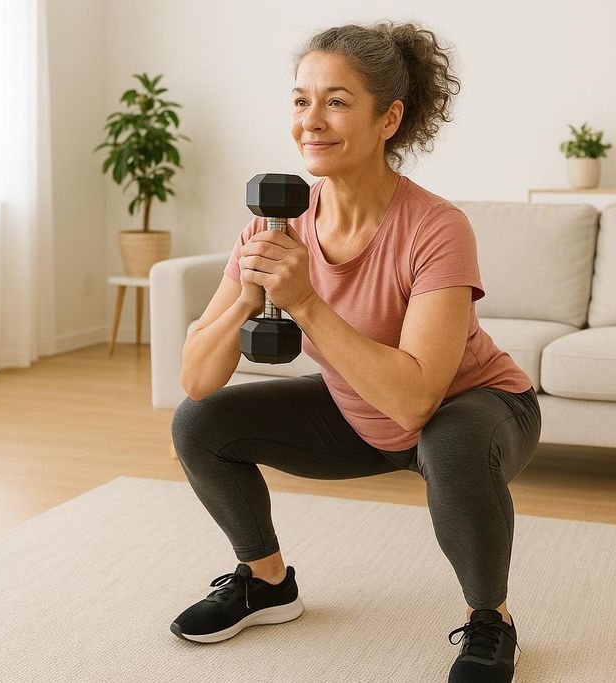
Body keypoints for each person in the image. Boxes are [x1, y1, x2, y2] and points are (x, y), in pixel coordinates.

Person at [170, 20, 540, 683]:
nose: (311, 120)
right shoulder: (275, 224)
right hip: (359, 410)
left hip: (473, 405)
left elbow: (417, 398)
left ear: (388, 118)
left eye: (336, 101)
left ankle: (491, 618)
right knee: (201, 423)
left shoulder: (436, 226)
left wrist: (307, 300)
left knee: (450, 443)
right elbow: (196, 380)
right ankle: (265, 581)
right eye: (300, 99)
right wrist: (246, 296)